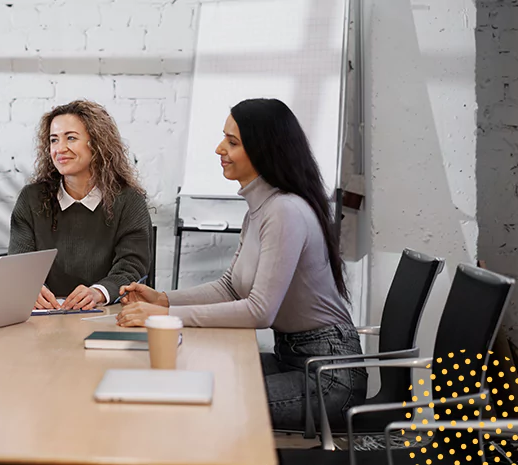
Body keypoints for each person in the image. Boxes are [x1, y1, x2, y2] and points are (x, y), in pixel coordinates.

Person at [116, 98, 367, 430]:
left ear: (264, 149)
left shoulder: (284, 211)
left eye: (232, 142)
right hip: (295, 358)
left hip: (329, 376)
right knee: (193, 380)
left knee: (205, 399)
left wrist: (165, 316)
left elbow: (260, 311)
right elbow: (230, 287)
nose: (220, 148)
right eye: (224, 138)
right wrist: (163, 299)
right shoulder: (261, 209)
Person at [9, 100, 151, 310]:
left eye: (71, 138)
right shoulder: (31, 199)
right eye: (54, 140)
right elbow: (19, 265)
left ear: (97, 143)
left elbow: (131, 267)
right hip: (42, 318)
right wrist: (30, 288)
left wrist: (98, 292)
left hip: (105, 315)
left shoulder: (129, 201)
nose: (60, 149)